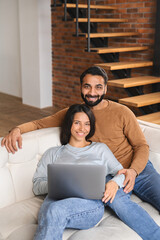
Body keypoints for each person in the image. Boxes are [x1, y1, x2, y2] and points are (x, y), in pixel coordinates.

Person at [1, 66, 160, 239]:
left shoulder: (122, 112)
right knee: (116, 200)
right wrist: (17, 129)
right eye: (87, 86)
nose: (92, 92)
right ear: (81, 88)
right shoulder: (74, 114)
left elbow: (141, 146)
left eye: (98, 87)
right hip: (105, 173)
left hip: (138, 168)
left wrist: (133, 170)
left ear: (105, 88)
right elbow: (39, 124)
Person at [33, 104, 125, 240]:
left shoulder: (100, 149)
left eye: (87, 124)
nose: (82, 128)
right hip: (55, 201)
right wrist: (58, 184)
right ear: (69, 124)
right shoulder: (53, 153)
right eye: (77, 123)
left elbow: (122, 172)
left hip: (89, 205)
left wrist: (114, 183)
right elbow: (36, 186)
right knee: (52, 210)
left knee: (54, 211)